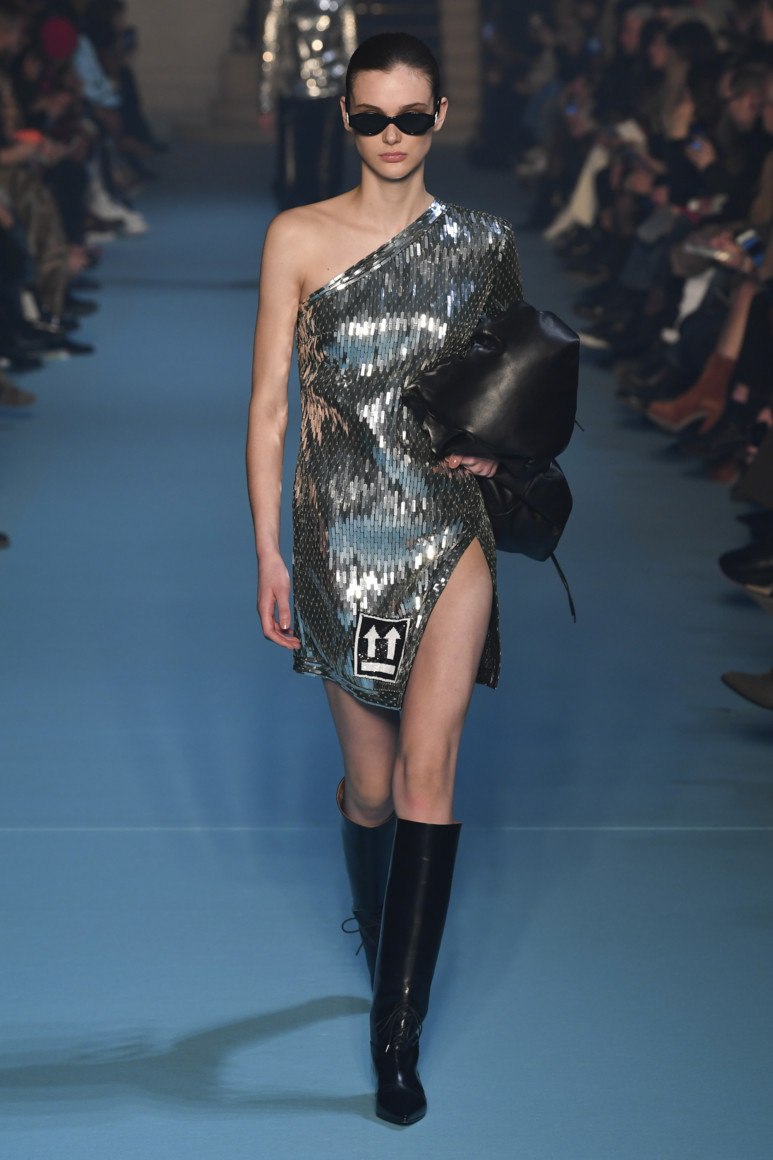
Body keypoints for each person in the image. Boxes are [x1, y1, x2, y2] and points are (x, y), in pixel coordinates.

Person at [246, 32, 522, 1126]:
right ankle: (376, 922)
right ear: (345, 118)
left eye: (411, 116)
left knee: (425, 775)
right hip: (337, 540)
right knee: (368, 788)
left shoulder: (483, 244)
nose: (391, 136)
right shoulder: (298, 236)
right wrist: (265, 549)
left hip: (448, 535)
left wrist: (496, 452)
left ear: (439, 115)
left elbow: (520, 385)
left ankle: (394, 1036)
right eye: (371, 117)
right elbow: (270, 407)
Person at [258, 0, 357, 208]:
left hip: (329, 95)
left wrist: (353, 101)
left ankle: (320, 218)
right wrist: (265, 103)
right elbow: (270, 52)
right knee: (292, 171)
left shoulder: (340, 4)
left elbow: (350, 52)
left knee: (326, 168)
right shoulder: (281, 4)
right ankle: (295, 217)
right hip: (293, 94)